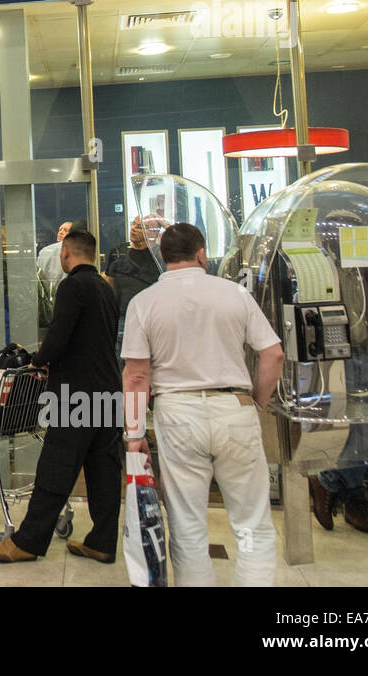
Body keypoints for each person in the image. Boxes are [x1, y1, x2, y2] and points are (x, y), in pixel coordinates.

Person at [121, 223, 284, 587]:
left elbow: (135, 375)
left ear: (162, 258)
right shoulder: (235, 294)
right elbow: (273, 354)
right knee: (252, 524)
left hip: (177, 414)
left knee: (188, 525)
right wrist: (256, 402)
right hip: (235, 408)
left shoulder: (144, 302)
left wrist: (134, 434)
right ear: (201, 253)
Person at [0, 230, 122, 564]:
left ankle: (27, 543)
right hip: (108, 392)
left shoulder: (72, 286)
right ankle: (102, 542)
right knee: (104, 470)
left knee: (55, 467)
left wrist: (38, 361)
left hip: (75, 395)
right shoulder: (106, 288)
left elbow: (60, 335)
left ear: (66, 254)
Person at [307, 235, 368, 535]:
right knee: (347, 426)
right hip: (337, 356)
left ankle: (328, 481)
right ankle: (355, 497)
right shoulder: (320, 261)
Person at [104, 216, 161, 363]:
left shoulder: (159, 255)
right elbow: (109, 283)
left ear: (154, 233)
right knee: (122, 359)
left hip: (153, 316)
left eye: (140, 227)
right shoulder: (118, 252)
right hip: (124, 316)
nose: (134, 229)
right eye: (133, 225)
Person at [36, 220, 74, 292]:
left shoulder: (44, 251)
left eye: (65, 230)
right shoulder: (45, 251)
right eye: (60, 230)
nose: (61, 232)